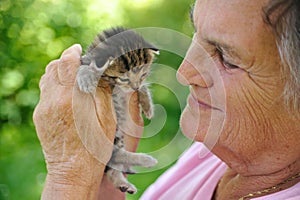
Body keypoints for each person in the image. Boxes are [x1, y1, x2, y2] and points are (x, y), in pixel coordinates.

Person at [33, 0, 300, 199]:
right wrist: (101, 173)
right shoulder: (218, 150)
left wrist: (68, 179)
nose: (184, 73)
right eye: (197, 32)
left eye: (226, 58)